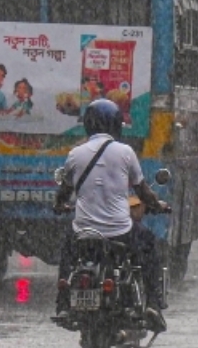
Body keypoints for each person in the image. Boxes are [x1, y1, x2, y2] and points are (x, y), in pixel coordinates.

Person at [53, 99, 170, 331]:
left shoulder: (75, 155)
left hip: (84, 233)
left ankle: (63, 304)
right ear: (116, 124)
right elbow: (143, 192)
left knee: (67, 253)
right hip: (120, 232)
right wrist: (158, 205)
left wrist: (60, 206)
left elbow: (63, 194)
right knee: (148, 245)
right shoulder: (125, 153)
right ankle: (153, 305)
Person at [127, 194, 168, 330]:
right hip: (118, 226)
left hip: (89, 228)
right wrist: (154, 203)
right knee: (148, 248)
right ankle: (153, 300)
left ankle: (63, 303)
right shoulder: (124, 175)